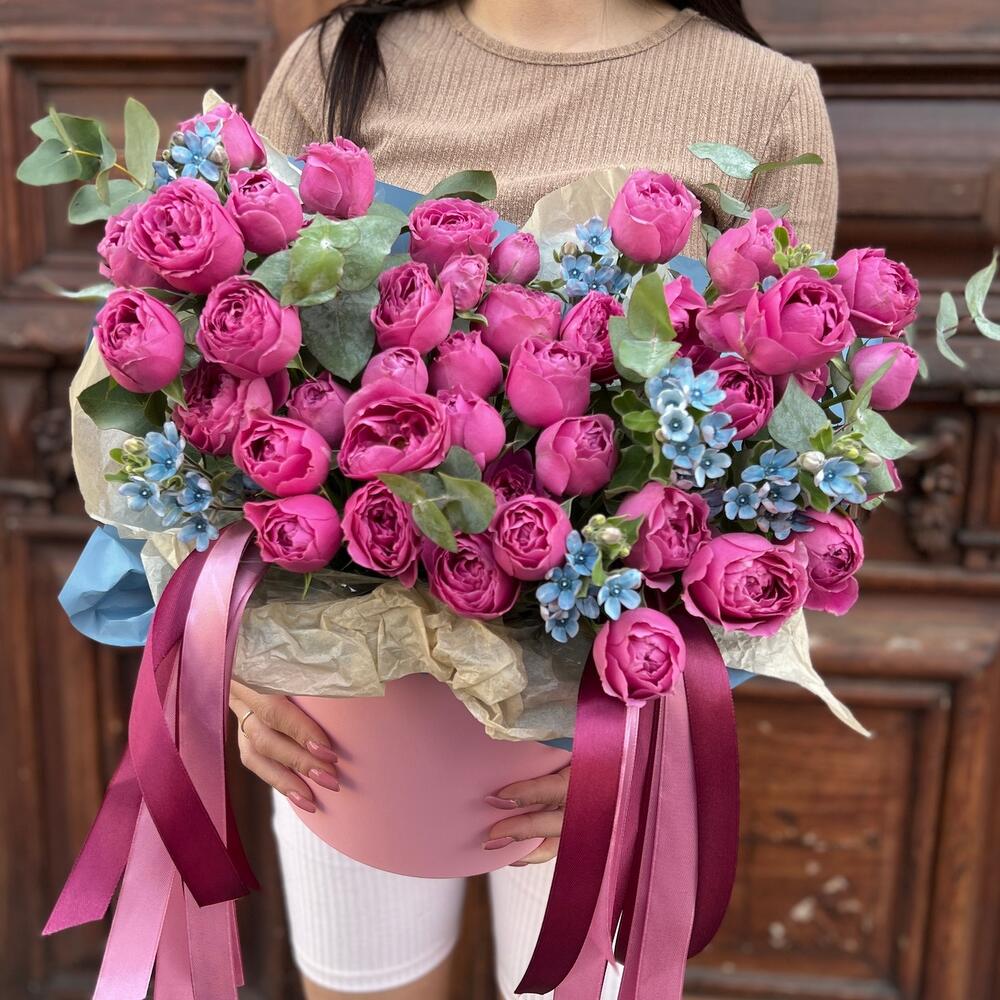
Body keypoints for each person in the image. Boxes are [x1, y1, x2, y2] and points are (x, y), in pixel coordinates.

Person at [231, 2, 838, 997]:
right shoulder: (339, 61)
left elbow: (794, 446)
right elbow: (229, 375)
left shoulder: (765, 97)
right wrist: (238, 665)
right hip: (350, 719)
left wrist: (661, 731)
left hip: (606, 716)